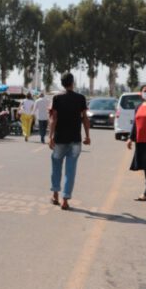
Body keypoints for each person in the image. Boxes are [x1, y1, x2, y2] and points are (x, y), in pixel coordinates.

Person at [49, 73, 90, 210]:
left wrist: (50, 137)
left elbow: (53, 119)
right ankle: (65, 200)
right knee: (70, 171)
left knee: (56, 166)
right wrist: (87, 136)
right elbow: (85, 118)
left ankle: (55, 195)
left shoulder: (57, 98)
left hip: (60, 139)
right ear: (73, 83)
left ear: (62, 83)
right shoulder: (81, 98)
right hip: (75, 140)